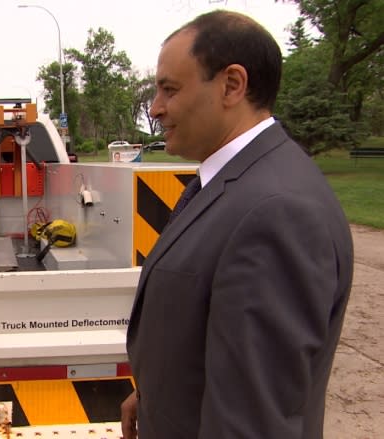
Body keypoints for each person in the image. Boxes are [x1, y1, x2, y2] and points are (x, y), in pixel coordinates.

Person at [120, 10, 353, 439]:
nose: (156, 108)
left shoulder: (275, 213)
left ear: (232, 85)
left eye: (169, 89)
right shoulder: (236, 181)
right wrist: (157, 395)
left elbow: (253, 421)